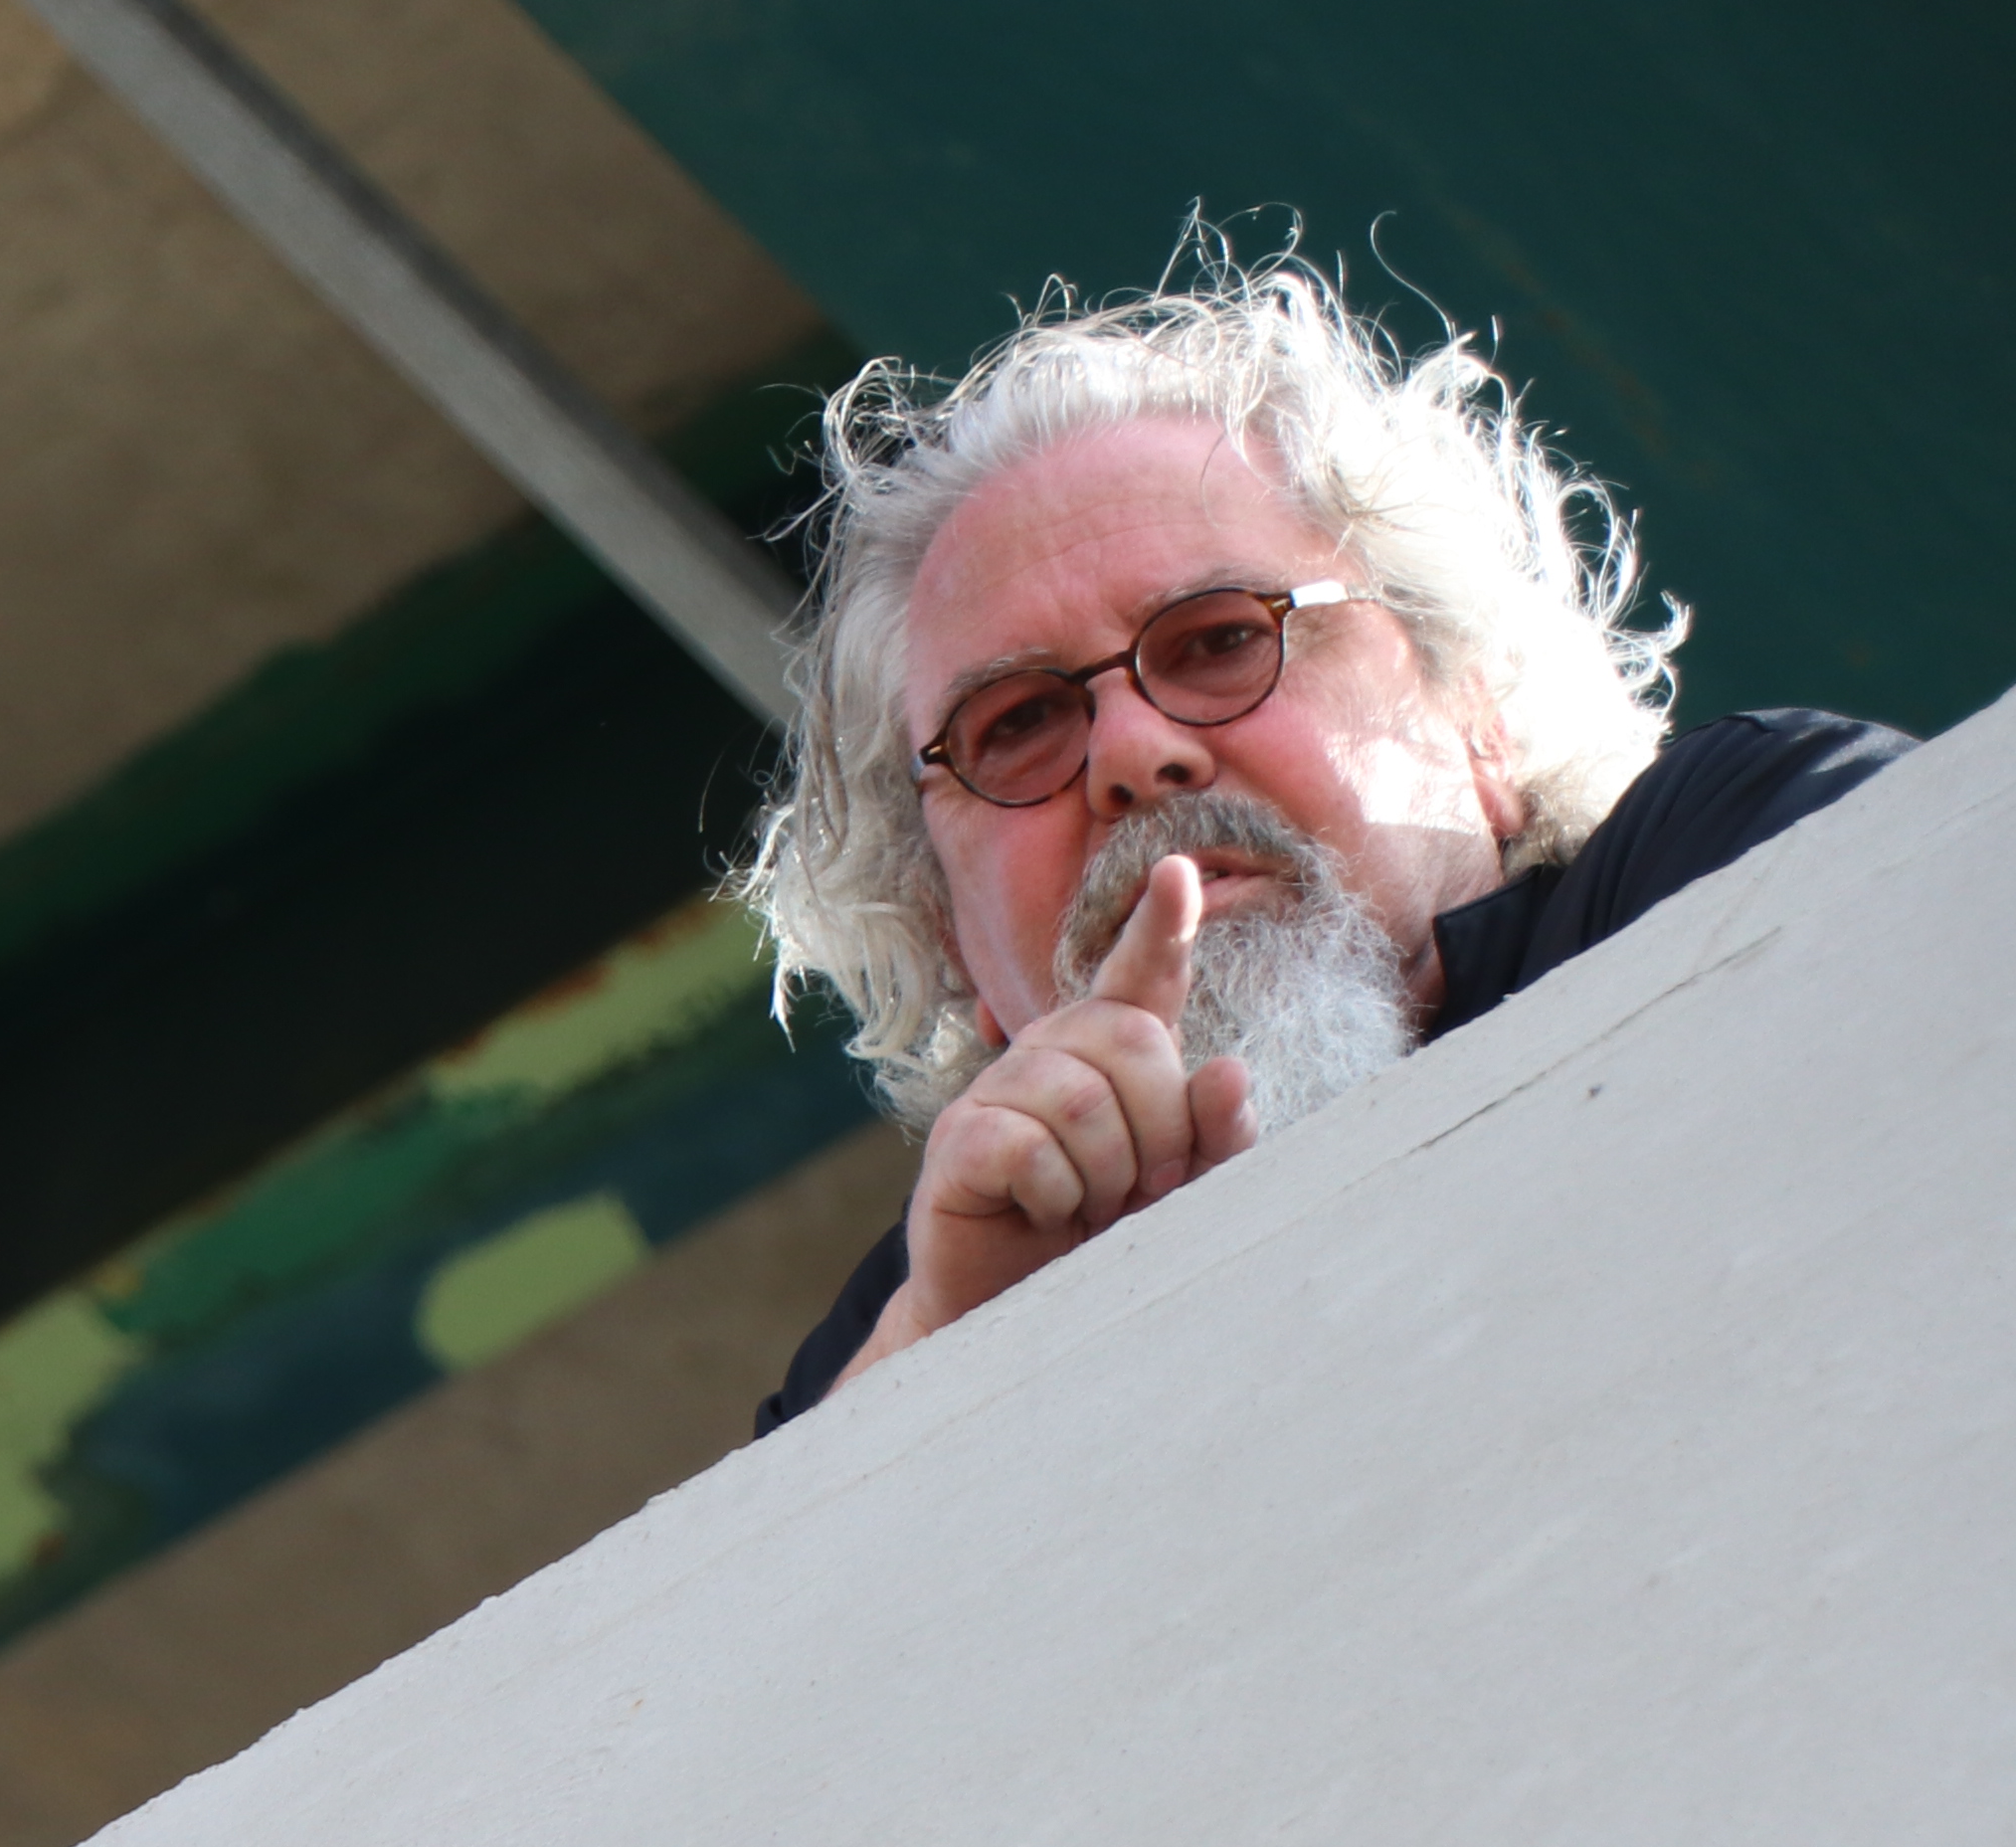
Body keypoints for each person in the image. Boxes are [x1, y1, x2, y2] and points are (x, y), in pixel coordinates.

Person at [739, 249, 1907, 1435]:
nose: (1134, 755)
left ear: (1480, 723)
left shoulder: (1741, 844)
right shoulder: (920, 1310)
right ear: (956, 941)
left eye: (1219, 641)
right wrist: (951, 1365)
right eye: (1022, 724)